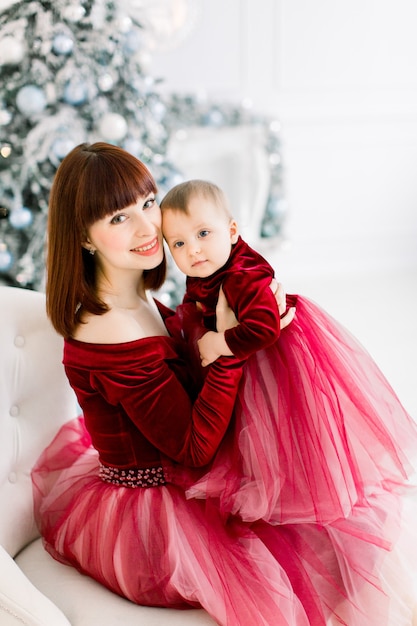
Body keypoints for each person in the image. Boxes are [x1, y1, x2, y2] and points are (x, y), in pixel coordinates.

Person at [32, 143, 415, 626]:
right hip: (153, 519)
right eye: (117, 219)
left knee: (327, 508)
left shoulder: (138, 299)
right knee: (321, 547)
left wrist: (255, 319)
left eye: (148, 203)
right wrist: (231, 348)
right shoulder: (111, 330)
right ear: (84, 238)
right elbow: (193, 449)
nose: (148, 227)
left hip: (181, 475)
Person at [161, 179, 417, 622]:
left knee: (285, 451)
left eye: (204, 234)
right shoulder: (204, 273)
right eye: (179, 242)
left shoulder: (242, 277)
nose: (194, 250)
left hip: (275, 366)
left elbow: (264, 328)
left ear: (234, 230)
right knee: (252, 450)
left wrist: (219, 344)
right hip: (251, 367)